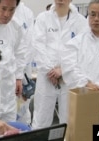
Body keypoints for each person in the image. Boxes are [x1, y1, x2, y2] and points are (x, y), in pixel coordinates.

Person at [31, 0, 88, 129]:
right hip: (46, 77)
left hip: (69, 77)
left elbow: (82, 49)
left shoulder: (81, 22)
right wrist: (50, 70)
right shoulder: (43, 18)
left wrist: (63, 70)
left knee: (69, 118)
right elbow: (37, 45)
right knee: (41, 118)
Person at [61, 0, 99, 124]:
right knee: (82, 135)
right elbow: (69, 69)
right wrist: (86, 84)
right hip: (82, 101)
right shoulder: (75, 42)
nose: (96, 19)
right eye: (92, 14)